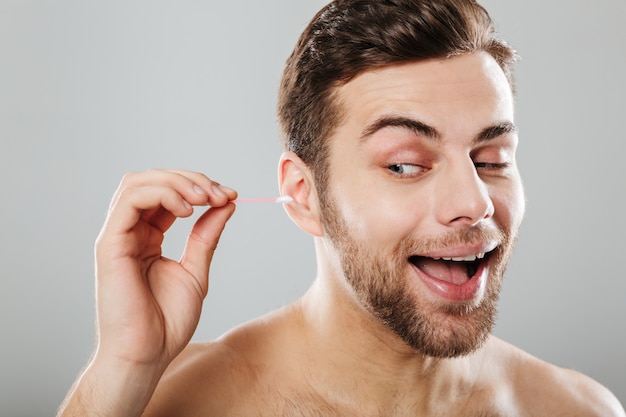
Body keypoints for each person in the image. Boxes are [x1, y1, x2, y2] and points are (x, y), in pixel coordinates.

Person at [57, 0, 625, 416]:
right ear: (304, 195)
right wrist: (124, 368)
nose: (474, 202)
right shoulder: (174, 407)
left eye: (492, 157)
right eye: (404, 164)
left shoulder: (577, 411)